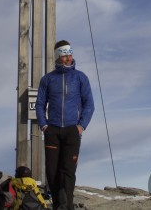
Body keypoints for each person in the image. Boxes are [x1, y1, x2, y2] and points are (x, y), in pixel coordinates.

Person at [35, 40, 94, 210]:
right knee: (52, 172)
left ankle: (66, 207)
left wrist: (81, 126)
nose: (68, 58)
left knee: (68, 172)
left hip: (72, 131)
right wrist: (44, 125)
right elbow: (40, 104)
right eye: (64, 55)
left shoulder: (80, 77)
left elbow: (89, 104)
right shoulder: (47, 79)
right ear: (57, 57)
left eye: (70, 54)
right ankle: (58, 206)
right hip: (52, 130)